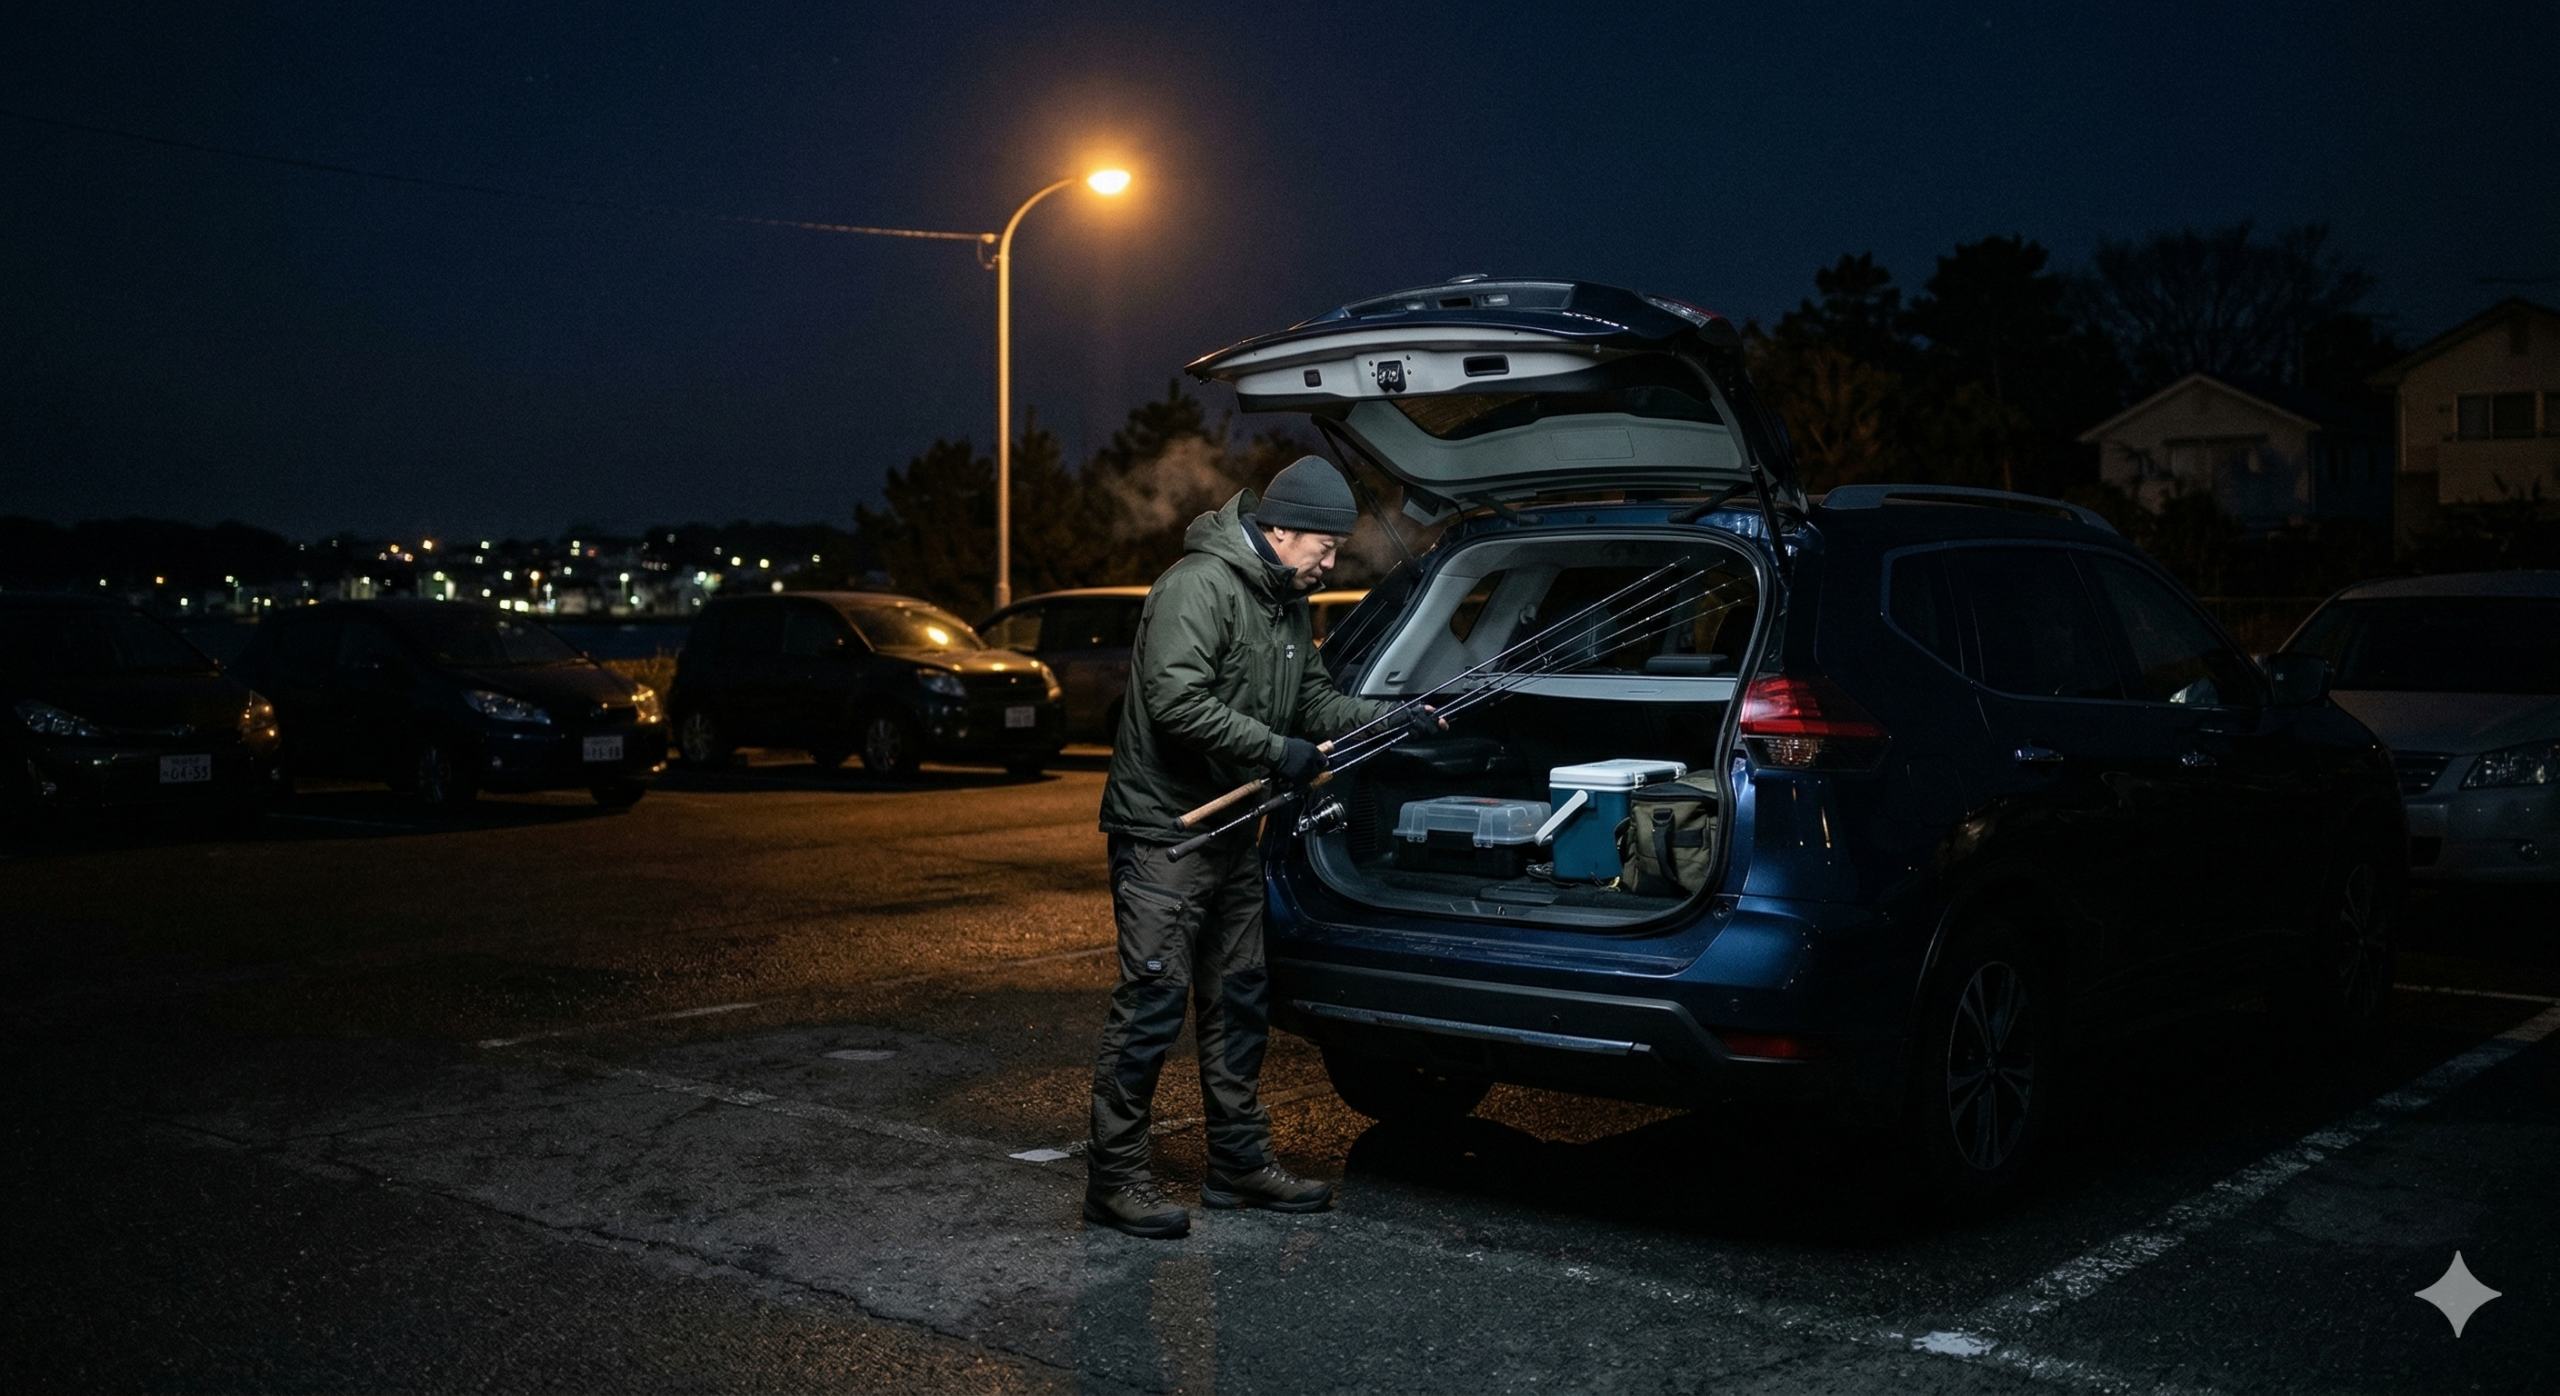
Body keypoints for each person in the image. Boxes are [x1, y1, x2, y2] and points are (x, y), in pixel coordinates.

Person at [1084, 456, 1439, 1239]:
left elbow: (1311, 698)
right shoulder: (1196, 587)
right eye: (1324, 546)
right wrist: (1277, 749)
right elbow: (1174, 702)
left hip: (1236, 832)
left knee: (1238, 1000)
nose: (1331, 561)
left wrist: (1386, 717)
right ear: (1280, 530)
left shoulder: (1284, 602)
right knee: (1150, 1008)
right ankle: (1113, 1179)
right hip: (1164, 835)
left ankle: (1237, 1166)